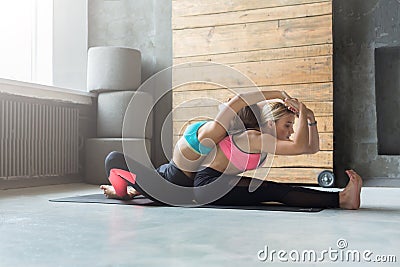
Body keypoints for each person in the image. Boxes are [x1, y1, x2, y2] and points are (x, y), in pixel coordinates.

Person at [100, 90, 294, 201]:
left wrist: (279, 95)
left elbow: (240, 100)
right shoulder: (231, 137)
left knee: (113, 159)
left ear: (234, 114)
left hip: (169, 184)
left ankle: (121, 193)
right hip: (168, 177)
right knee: (153, 171)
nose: (224, 107)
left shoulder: (213, 132)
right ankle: (135, 189)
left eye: (228, 107)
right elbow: (250, 109)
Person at [194, 100, 362, 209]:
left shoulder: (264, 139)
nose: (292, 130)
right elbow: (299, 145)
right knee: (274, 190)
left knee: (274, 189)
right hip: (207, 184)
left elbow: (310, 148)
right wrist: (302, 110)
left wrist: (310, 117)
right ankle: (342, 199)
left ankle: (342, 198)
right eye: (287, 125)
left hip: (215, 182)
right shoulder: (254, 137)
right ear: (270, 123)